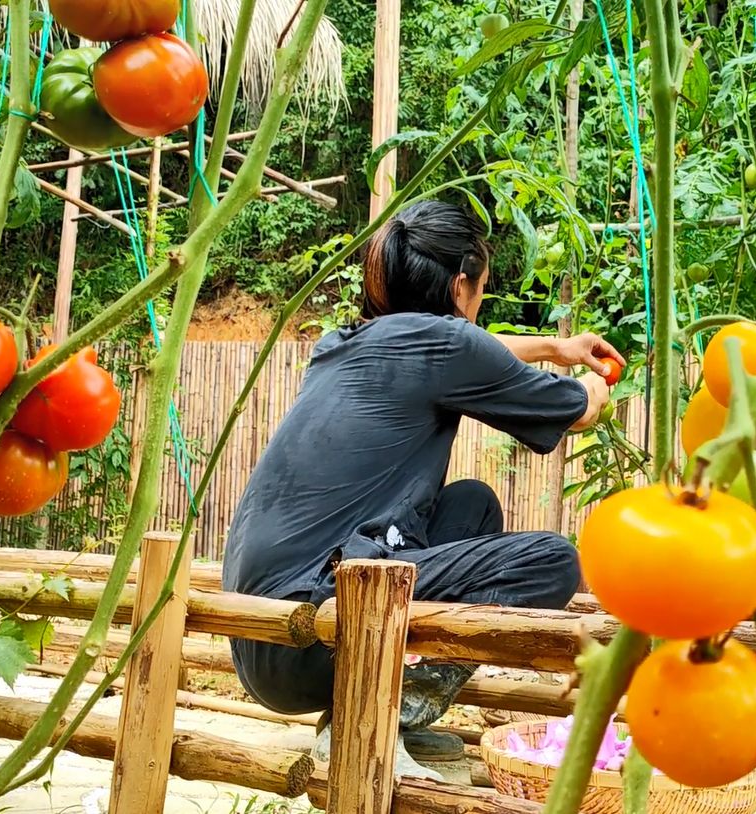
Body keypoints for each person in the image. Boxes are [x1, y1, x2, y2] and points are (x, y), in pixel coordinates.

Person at [220, 200, 621, 780]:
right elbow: (579, 410)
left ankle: (379, 706)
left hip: (260, 634)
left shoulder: (340, 341)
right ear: (461, 285)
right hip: (314, 626)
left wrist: (555, 348)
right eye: (481, 289)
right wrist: (593, 382)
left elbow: (459, 347)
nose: (479, 304)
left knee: (471, 505)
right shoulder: (446, 345)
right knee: (551, 562)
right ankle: (378, 712)